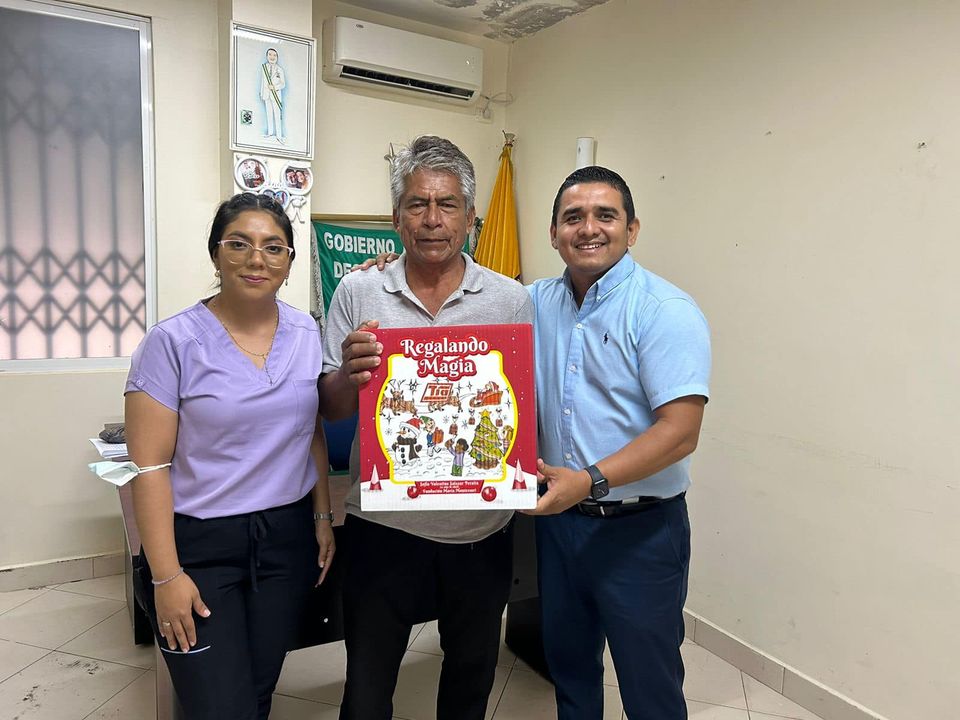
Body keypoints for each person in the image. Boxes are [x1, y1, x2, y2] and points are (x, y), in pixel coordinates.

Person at [318, 135, 534, 720]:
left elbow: (517, 408)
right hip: (382, 527)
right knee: (366, 691)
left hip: (480, 531)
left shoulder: (511, 300)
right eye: (417, 204)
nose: (432, 219)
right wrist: (349, 376)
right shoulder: (359, 289)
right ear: (396, 217)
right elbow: (330, 408)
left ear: (471, 217)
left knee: (469, 683)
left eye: (447, 204)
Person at [124, 193, 335, 720]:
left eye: (273, 247)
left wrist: (322, 517)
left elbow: (309, 430)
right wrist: (166, 576)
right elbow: (149, 468)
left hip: (285, 540)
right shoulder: (171, 342)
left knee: (258, 691)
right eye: (239, 244)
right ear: (216, 254)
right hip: (199, 545)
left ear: (289, 262)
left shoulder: (306, 332)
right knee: (219, 706)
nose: (256, 259)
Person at [527, 166, 711, 720]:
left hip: (640, 533)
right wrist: (394, 266)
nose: (588, 228)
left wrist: (589, 480)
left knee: (650, 689)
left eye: (605, 215)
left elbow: (680, 432)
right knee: (569, 675)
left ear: (631, 230)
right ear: (554, 233)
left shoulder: (664, 310)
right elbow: (465, 300)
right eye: (573, 217)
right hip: (560, 527)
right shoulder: (532, 303)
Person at [260, 47, 285, 144]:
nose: (272, 57)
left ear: (277, 57)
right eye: (270, 54)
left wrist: (274, 87)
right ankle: (270, 133)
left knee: (277, 115)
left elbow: (283, 84)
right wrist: (262, 92)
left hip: (276, 95)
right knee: (269, 114)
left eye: (274, 55)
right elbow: (263, 81)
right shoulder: (264, 67)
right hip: (266, 94)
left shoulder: (280, 69)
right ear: (267, 56)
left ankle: (279, 136)